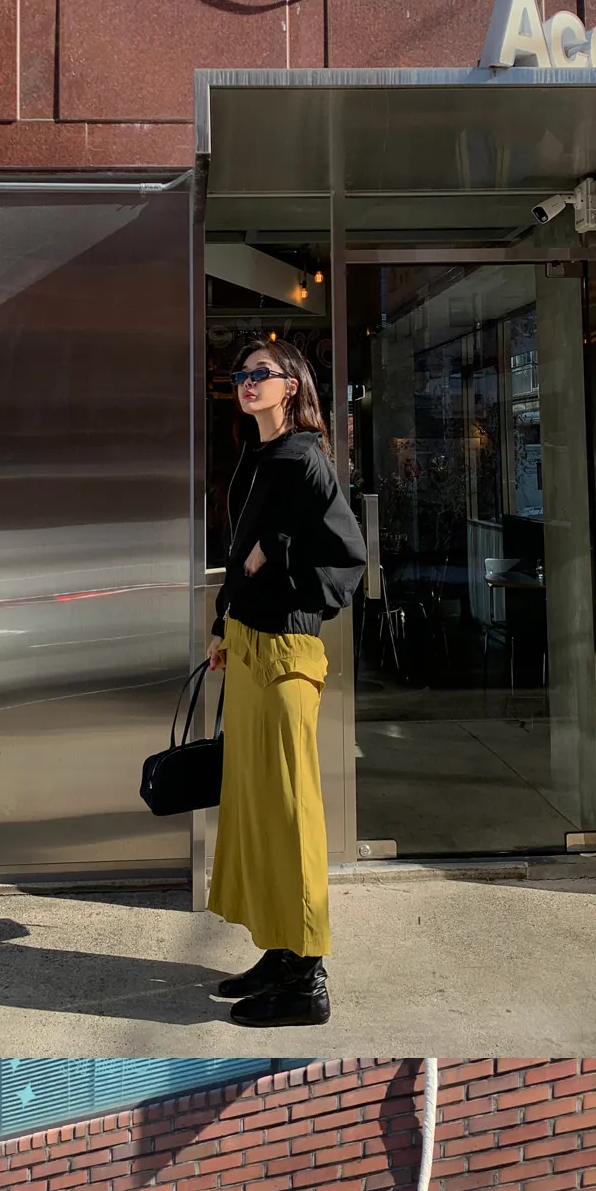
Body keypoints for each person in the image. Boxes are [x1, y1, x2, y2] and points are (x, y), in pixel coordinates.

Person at [208, 334, 366, 1028]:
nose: (247, 382)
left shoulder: (304, 457)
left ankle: (308, 979)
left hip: (283, 655)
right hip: (249, 647)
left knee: (291, 812)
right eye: (240, 374)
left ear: (292, 385)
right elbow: (238, 552)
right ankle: (280, 948)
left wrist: (277, 550)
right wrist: (223, 623)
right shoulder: (259, 455)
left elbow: (347, 559)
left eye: (261, 373)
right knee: (258, 809)